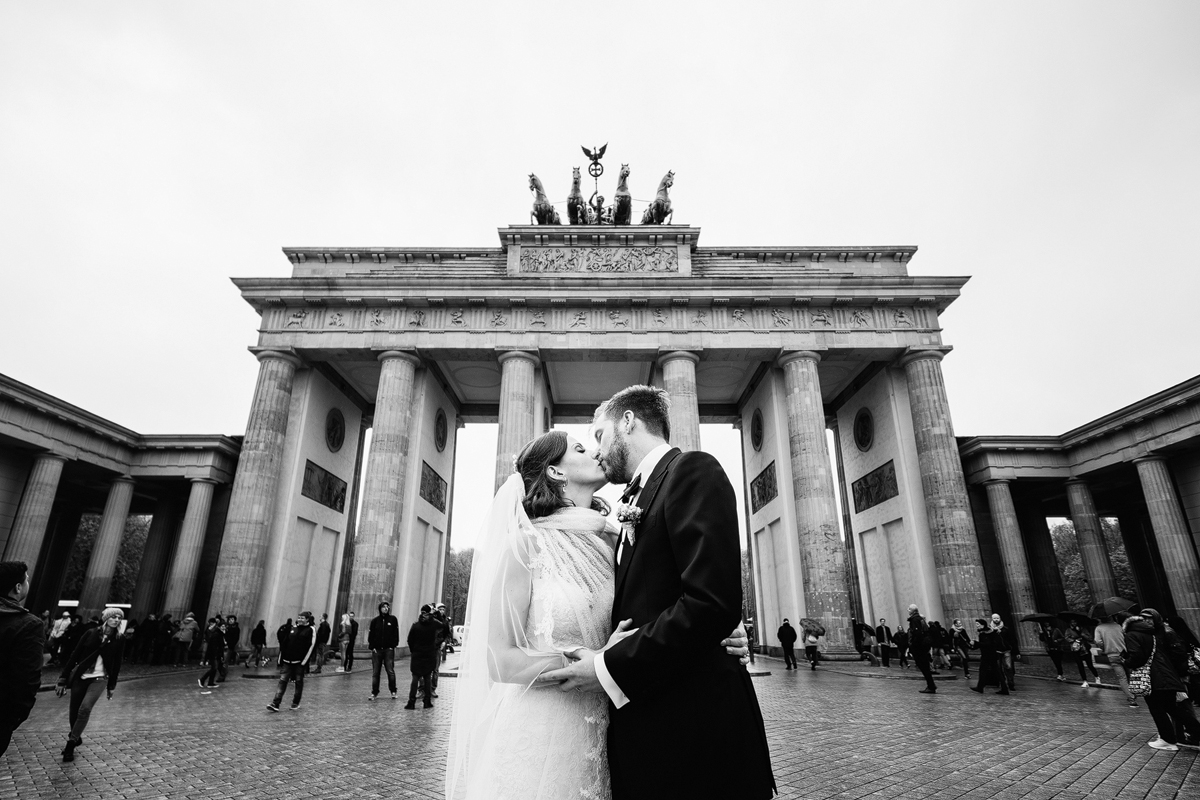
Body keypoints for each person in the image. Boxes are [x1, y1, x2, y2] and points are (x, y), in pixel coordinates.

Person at [448, 421, 759, 800]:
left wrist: (723, 626)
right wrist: (592, 660)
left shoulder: (613, 537)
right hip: (542, 726)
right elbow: (499, 660)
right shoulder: (523, 545)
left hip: (608, 724)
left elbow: (669, 595)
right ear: (555, 471)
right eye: (581, 449)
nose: (596, 451)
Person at [532, 387, 774, 799]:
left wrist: (607, 665)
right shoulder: (630, 503)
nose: (597, 450)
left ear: (628, 422)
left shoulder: (692, 471)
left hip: (699, 745)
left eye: (599, 435)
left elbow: (709, 603)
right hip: (650, 739)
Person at [1124, 608, 1200, 752]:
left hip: (1155, 678)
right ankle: (1182, 736)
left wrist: (1126, 660)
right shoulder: (1154, 633)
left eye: (1149, 617)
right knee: (1173, 708)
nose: (1146, 620)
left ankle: (1168, 740)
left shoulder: (1133, 634)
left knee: (1157, 709)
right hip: (1166, 675)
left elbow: (1137, 657)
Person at [56, 606, 125, 762]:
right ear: (106, 618)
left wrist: (112, 685)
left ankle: (71, 743)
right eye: (113, 617)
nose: (116, 620)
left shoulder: (119, 638)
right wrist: (63, 678)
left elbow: (117, 663)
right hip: (81, 676)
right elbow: (75, 655)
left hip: (100, 678)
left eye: (119, 618)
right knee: (74, 712)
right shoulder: (90, 633)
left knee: (85, 708)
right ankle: (76, 734)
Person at [0, 562, 44, 757]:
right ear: (17, 588)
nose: (27, 583)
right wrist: (14, 717)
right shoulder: (28, 625)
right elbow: (26, 679)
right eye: (26, 579)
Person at [267, 612, 314, 712]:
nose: (300, 619)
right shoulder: (293, 628)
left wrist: (304, 661)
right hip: (287, 660)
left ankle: (295, 703)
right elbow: (284, 644)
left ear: (307, 620)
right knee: (282, 681)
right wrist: (281, 659)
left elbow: (311, 646)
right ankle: (276, 703)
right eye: (299, 617)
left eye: (302, 618)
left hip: (299, 662)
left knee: (298, 682)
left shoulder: (310, 630)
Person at [1093, 614, 1136, 707]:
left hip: (1112, 655)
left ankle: (1131, 698)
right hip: (1125, 653)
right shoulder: (1118, 626)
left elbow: (1097, 641)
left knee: (1122, 677)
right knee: (1130, 674)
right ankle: (1135, 691)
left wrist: (1103, 646)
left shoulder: (1099, 628)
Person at [405, 604, 440, 709]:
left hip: (417, 654)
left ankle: (411, 702)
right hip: (429, 654)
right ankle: (427, 701)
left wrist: (413, 650)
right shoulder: (433, 625)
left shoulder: (415, 625)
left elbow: (410, 640)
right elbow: (440, 632)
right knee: (427, 678)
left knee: (415, 678)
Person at [367, 601, 399, 700]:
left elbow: (395, 634)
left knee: (390, 671)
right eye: (383, 607)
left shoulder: (393, 619)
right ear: (380, 609)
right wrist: (372, 647)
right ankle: (374, 692)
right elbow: (371, 635)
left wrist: (393, 646)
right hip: (377, 650)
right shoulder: (375, 621)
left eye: (387, 607)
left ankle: (393, 691)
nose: (385, 608)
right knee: (376, 672)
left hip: (388, 649)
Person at [970, 618, 1008, 695]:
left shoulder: (985, 633)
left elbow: (987, 644)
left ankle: (980, 687)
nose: (976, 626)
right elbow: (982, 644)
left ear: (983, 625)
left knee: (987, 671)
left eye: (978, 624)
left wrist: (976, 643)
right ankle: (1003, 688)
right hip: (989, 655)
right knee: (992, 671)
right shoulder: (987, 632)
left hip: (988, 655)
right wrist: (973, 645)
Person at [907, 605, 937, 693]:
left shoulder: (915, 620)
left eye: (909, 609)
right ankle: (931, 685)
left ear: (912, 611)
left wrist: (913, 647)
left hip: (919, 647)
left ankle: (931, 686)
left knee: (923, 666)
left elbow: (917, 634)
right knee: (925, 666)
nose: (908, 610)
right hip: (923, 646)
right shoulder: (920, 619)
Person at [1065, 619, 1099, 688]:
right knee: (1080, 666)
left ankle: (1097, 677)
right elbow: (1066, 638)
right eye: (1072, 622)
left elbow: (1090, 638)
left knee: (1090, 665)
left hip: (1085, 649)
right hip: (1076, 649)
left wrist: (1082, 634)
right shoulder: (1068, 630)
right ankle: (1085, 681)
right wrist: (1074, 640)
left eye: (1075, 622)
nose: (1074, 623)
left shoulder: (1083, 629)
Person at [198, 618, 228, 690]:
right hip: (213, 654)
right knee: (214, 668)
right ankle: (202, 679)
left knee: (214, 668)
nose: (223, 628)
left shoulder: (220, 634)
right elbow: (214, 646)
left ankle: (210, 683)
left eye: (224, 626)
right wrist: (215, 654)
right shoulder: (216, 634)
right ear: (219, 627)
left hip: (217, 654)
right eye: (222, 626)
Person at [992, 613, 1018, 691]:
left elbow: (1013, 640)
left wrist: (1016, 652)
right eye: (994, 618)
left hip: (1006, 650)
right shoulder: (991, 630)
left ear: (1000, 618)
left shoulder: (1006, 629)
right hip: (996, 651)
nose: (996, 620)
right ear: (992, 619)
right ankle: (1003, 684)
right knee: (999, 668)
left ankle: (1011, 683)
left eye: (997, 618)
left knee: (1008, 667)